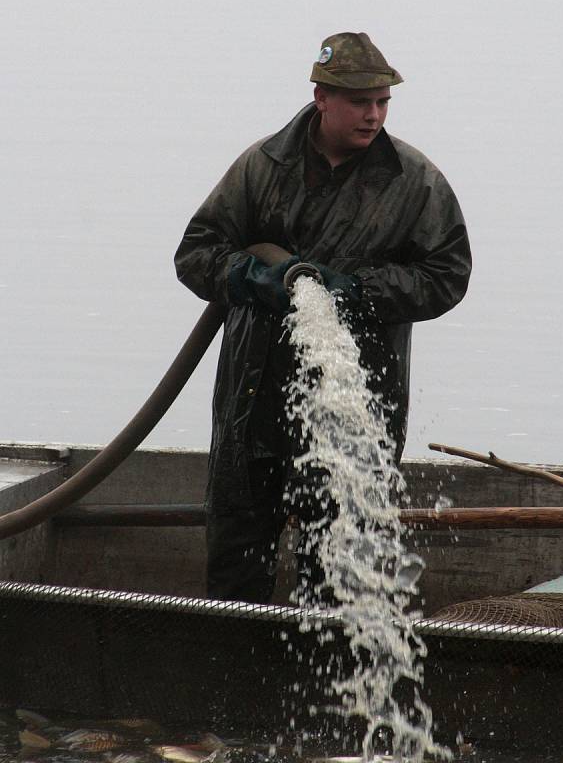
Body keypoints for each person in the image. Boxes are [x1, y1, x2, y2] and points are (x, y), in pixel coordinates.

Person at [174, 32, 472, 604]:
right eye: (361, 102)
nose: (374, 114)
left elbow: (448, 275)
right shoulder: (263, 167)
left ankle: (334, 688)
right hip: (251, 407)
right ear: (321, 98)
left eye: (383, 102)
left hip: (352, 416)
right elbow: (195, 253)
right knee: (235, 576)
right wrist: (249, 279)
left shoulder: (415, 182)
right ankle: (233, 682)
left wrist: (361, 290)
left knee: (341, 586)